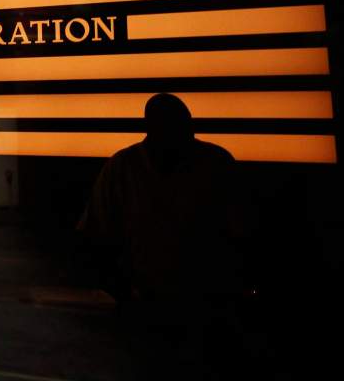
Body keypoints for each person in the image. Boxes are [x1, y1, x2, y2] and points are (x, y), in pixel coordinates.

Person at [78, 93, 253, 378]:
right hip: (191, 303)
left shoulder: (124, 166)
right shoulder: (216, 163)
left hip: (174, 303)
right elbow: (241, 231)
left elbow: (95, 232)